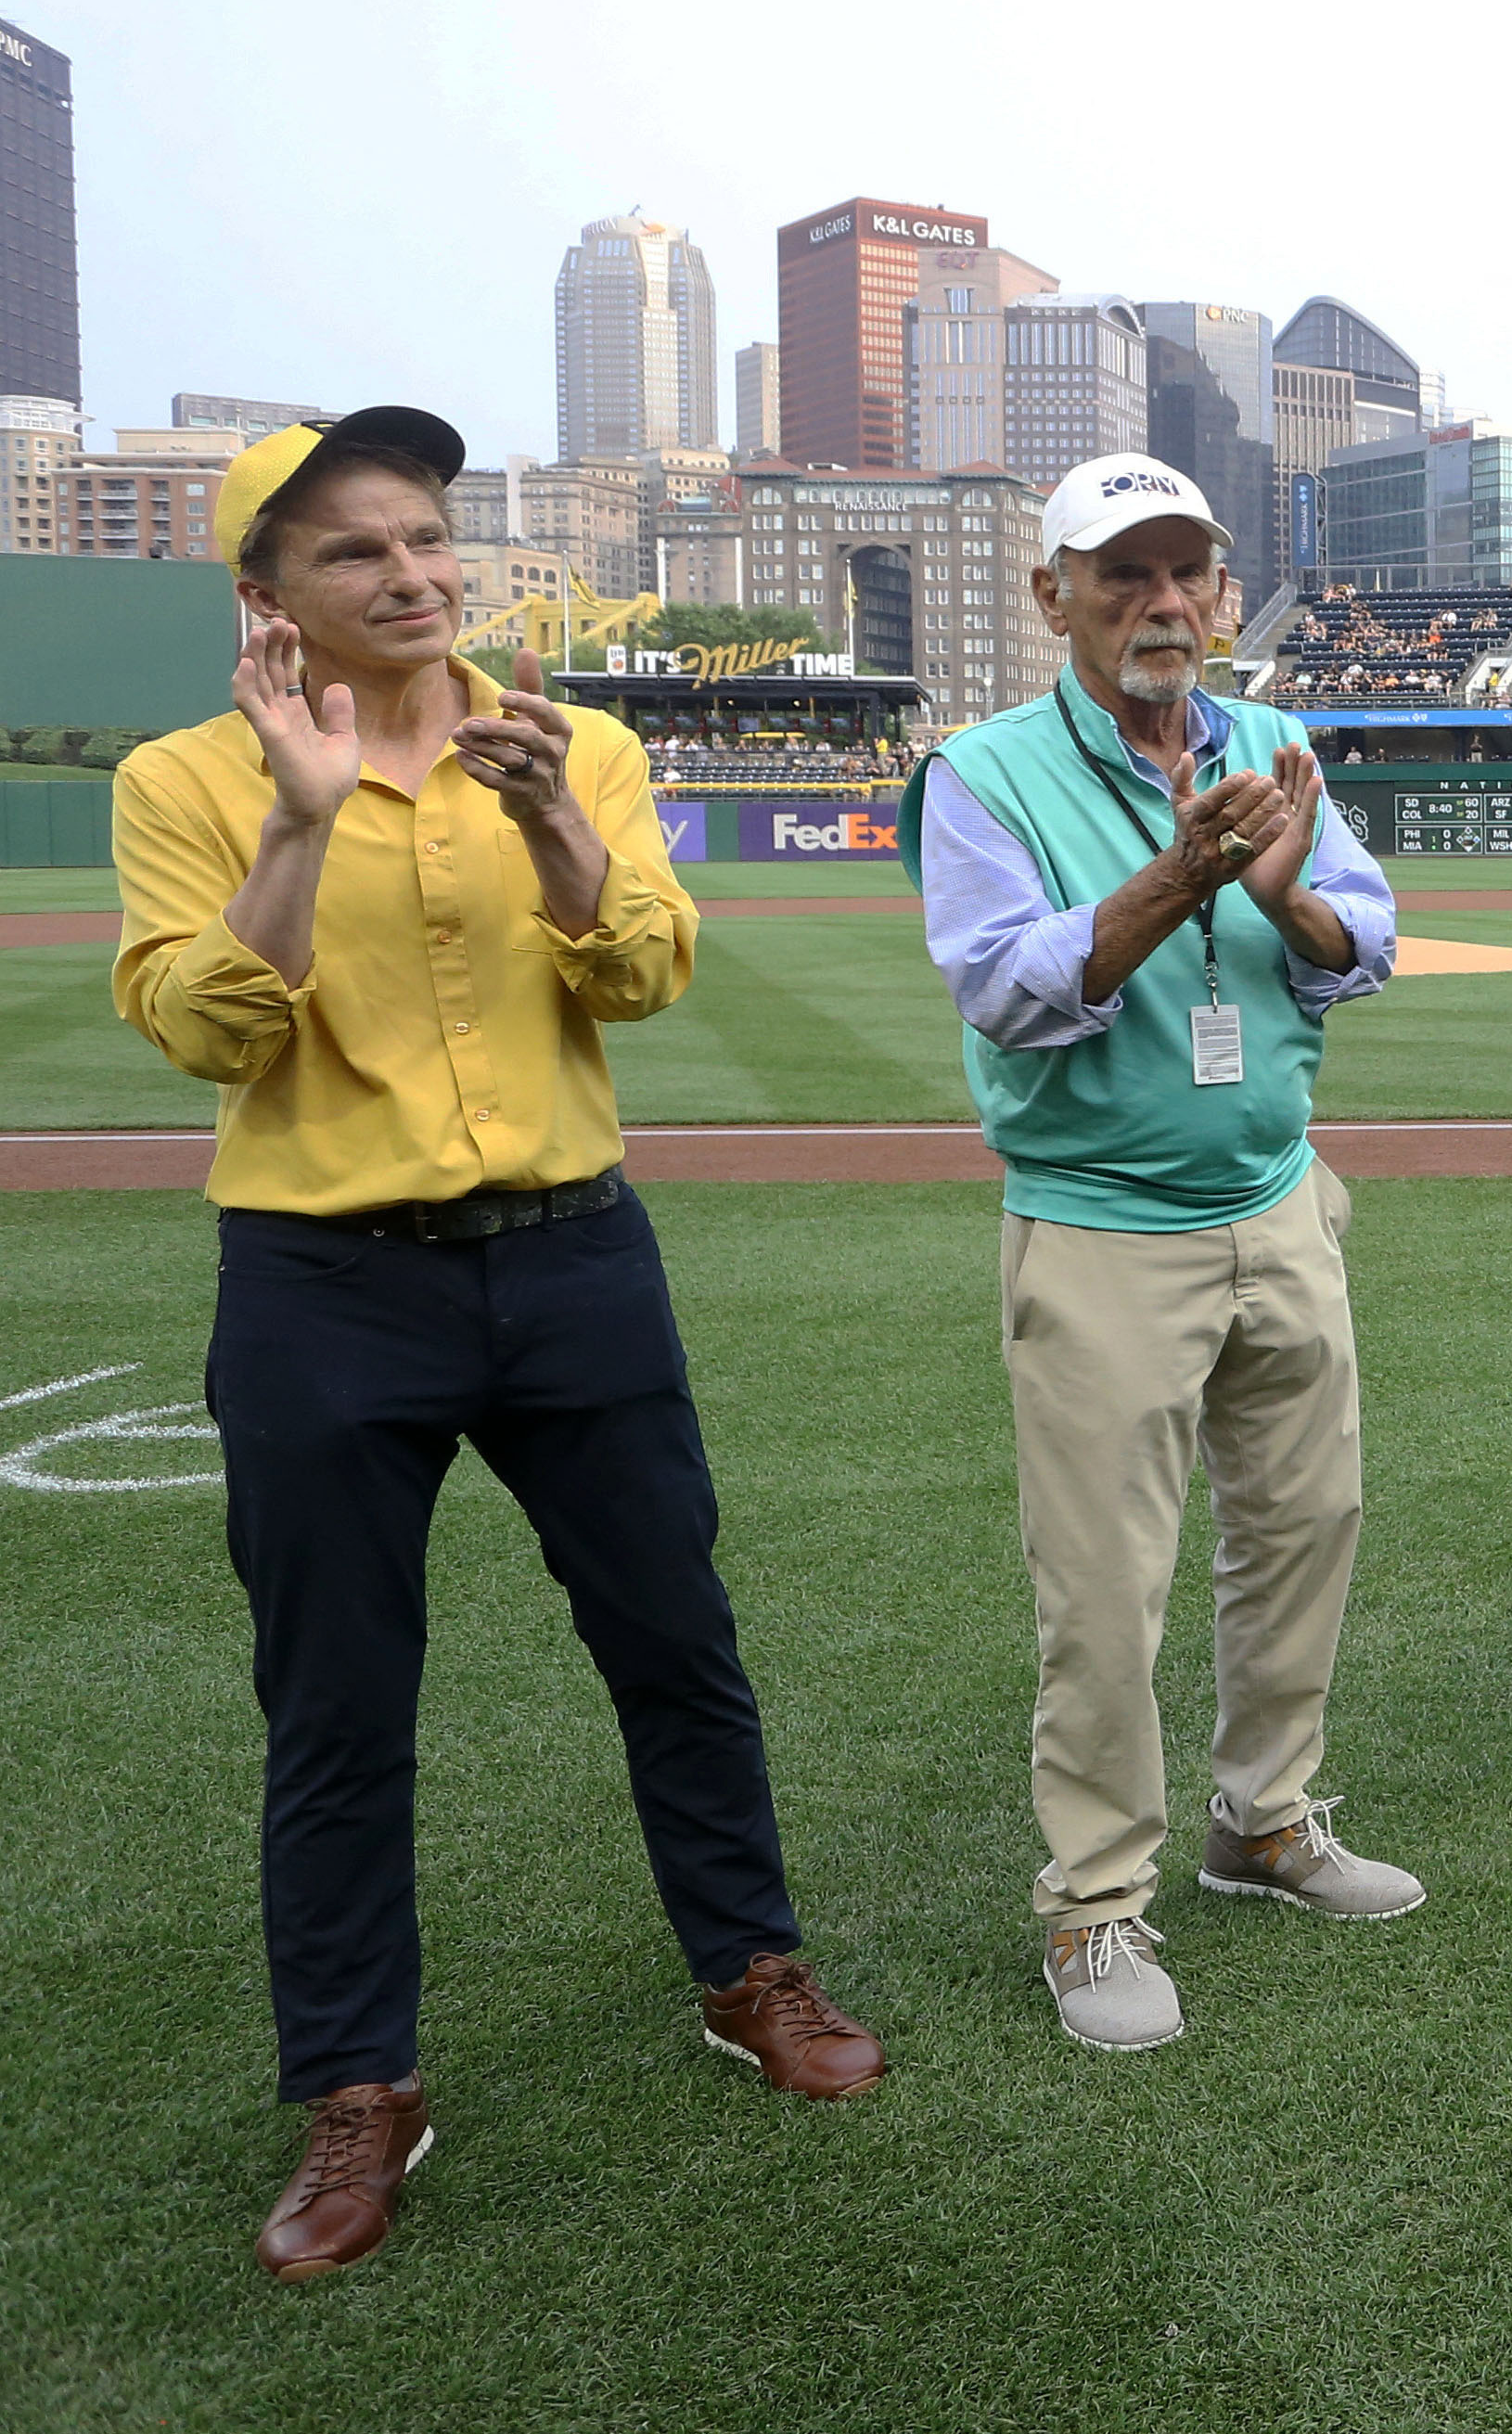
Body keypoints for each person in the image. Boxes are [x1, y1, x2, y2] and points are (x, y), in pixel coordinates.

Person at [114, 410, 881, 2282]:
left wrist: (546, 814)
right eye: (357, 549)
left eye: (431, 537)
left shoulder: (583, 746)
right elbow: (211, 1031)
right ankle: (361, 2088)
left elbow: (646, 973)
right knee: (340, 1708)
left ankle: (747, 1968)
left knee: (676, 1643)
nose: (413, 574)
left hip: (572, 1258)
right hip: (321, 1283)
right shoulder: (188, 778)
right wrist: (299, 815)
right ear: (268, 594)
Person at [910, 454, 1418, 2055]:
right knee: (1102, 1590)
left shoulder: (1274, 744)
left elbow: (1365, 939)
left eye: (1185, 571)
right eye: (1120, 574)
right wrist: (1179, 875)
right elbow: (1005, 990)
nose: (1162, 603)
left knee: (1306, 1521)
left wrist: (1288, 901)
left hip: (1275, 1193)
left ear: (1216, 587)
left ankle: (1262, 1822)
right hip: (1101, 1225)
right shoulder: (982, 775)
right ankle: (1094, 1905)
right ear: (1049, 593)